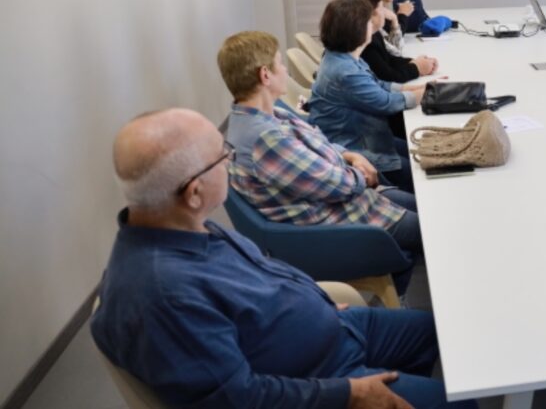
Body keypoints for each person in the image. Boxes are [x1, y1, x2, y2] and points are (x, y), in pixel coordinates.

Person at [92, 108, 475, 408]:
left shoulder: (182, 224)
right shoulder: (164, 296)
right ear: (194, 191)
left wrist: (314, 300)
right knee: (456, 402)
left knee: (447, 334)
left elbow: (263, 270)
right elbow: (239, 399)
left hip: (336, 327)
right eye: (223, 156)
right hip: (323, 378)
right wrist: (350, 394)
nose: (230, 162)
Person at [217, 31, 421, 253]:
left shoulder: (265, 115)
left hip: (354, 202)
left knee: (431, 208)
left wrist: (349, 155)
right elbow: (337, 186)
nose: (285, 71)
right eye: (280, 64)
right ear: (265, 75)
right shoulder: (265, 139)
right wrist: (361, 174)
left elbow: (317, 142)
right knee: (437, 227)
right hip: (349, 223)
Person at [309, 0, 425, 192]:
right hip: (358, 148)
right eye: (368, 22)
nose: (373, 24)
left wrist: (413, 88)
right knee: (421, 172)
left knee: (421, 154)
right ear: (358, 30)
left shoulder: (343, 56)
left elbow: (377, 84)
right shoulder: (345, 71)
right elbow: (386, 103)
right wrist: (425, 94)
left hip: (368, 136)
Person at [346, 0, 437, 83]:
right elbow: (387, 76)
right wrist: (416, 68)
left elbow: (388, 59)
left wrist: (415, 63)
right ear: (371, 13)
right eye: (381, 7)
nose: (385, 11)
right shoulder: (366, 42)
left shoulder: (374, 33)